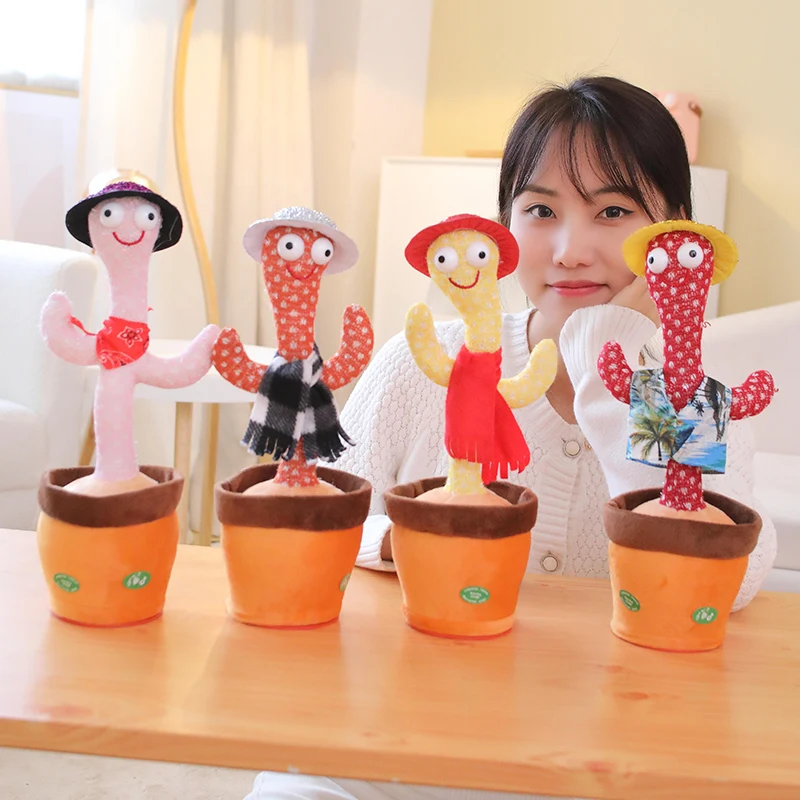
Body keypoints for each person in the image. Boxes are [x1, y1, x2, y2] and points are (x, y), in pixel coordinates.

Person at [245, 76, 776, 800]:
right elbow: (315, 518)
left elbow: (734, 572)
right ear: (502, 227)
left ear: (673, 231)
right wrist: (413, 542)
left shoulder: (697, 393)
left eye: (613, 211)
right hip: (396, 741)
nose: (569, 251)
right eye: (540, 211)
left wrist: (617, 356)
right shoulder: (422, 361)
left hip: (599, 761)